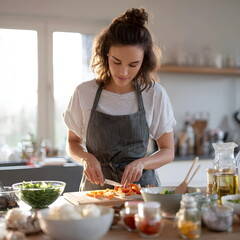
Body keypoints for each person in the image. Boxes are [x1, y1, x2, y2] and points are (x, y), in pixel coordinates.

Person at [63, 8, 176, 191]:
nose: (123, 72)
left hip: (141, 193)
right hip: (97, 191)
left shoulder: (154, 94)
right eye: (117, 62)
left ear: (144, 61)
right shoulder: (84, 93)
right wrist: (87, 158)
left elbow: (168, 151)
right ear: (106, 54)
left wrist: (143, 163)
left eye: (133, 65)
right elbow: (72, 143)